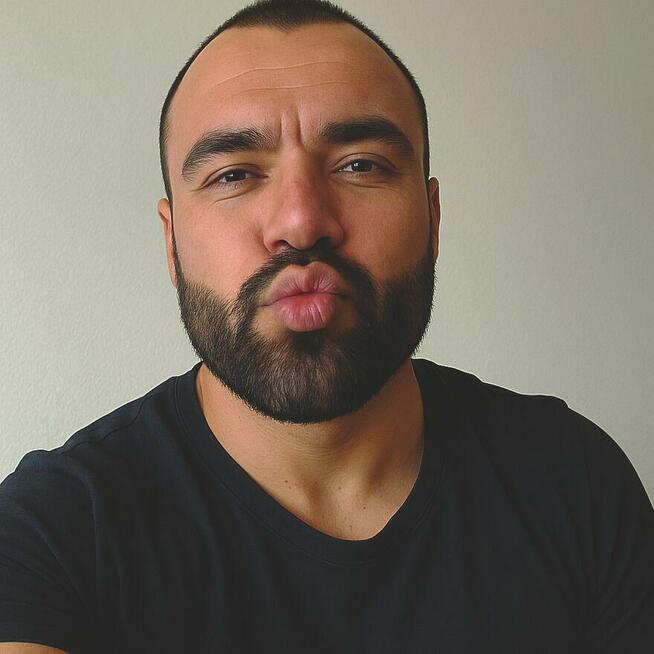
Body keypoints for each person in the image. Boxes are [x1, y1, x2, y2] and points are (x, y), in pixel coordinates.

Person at [1, 0, 653, 651]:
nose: (301, 221)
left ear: (432, 221)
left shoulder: (577, 486)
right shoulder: (51, 535)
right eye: (235, 174)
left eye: (361, 164)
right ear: (172, 244)